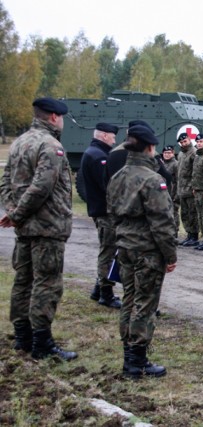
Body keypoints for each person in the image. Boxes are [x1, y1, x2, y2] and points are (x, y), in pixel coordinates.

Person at [0, 97, 77, 360]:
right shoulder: (51, 145)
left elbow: (5, 183)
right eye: (62, 117)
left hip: (25, 228)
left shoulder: (19, 142)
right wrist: (18, 214)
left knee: (23, 282)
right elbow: (41, 187)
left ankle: (23, 338)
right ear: (54, 117)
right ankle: (42, 343)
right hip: (47, 227)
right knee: (47, 284)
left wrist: (13, 213)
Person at [107, 125, 177, 378]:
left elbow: (112, 213)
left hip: (125, 246)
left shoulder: (118, 175)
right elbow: (162, 223)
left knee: (129, 299)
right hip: (147, 250)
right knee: (144, 304)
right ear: (149, 148)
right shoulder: (151, 179)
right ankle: (136, 362)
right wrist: (170, 255)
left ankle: (130, 356)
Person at [79, 122, 123, 309]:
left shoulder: (93, 152)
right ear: (104, 136)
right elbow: (107, 187)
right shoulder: (99, 157)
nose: (114, 140)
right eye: (112, 136)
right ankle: (106, 293)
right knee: (108, 252)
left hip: (101, 211)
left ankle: (98, 289)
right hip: (106, 212)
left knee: (108, 250)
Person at [176, 133, 200, 247]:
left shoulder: (194, 153)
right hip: (182, 188)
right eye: (181, 142)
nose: (183, 144)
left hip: (190, 189)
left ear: (189, 140)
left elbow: (196, 172)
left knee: (192, 213)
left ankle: (194, 236)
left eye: (185, 141)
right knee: (184, 213)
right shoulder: (181, 153)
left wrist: (194, 186)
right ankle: (189, 234)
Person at [162, 145, 180, 236]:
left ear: (173, 153)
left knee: (173, 213)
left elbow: (178, 180)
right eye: (165, 153)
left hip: (172, 193)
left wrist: (176, 194)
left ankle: (175, 232)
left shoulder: (175, 164)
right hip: (163, 193)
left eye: (169, 153)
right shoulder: (161, 164)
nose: (167, 155)